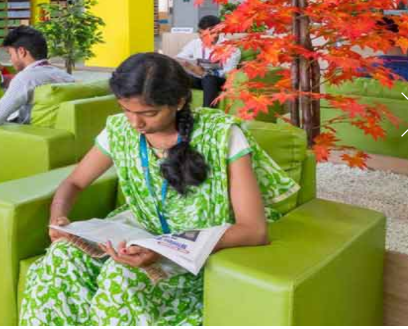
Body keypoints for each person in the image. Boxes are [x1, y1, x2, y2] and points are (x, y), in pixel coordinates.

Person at [18, 52, 297, 325]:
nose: (135, 123)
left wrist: (163, 251)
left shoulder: (222, 135)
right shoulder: (120, 130)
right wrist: (58, 217)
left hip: (196, 251)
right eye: (126, 110)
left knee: (121, 275)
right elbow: (74, 182)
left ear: (179, 101)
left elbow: (254, 230)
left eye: (148, 113)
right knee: (62, 256)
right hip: (141, 236)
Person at [0, 25, 73, 125]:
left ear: (21, 52)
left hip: (23, 133)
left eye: (10, 54)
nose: (10, 59)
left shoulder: (24, 78)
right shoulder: (64, 75)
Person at [175, 15, 241, 108]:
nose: (202, 37)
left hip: (219, 81)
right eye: (201, 33)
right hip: (199, 79)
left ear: (217, 32)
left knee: (209, 79)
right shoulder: (195, 43)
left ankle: (207, 111)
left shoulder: (231, 48)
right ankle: (176, 110)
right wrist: (188, 66)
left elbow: (228, 73)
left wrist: (204, 73)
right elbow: (179, 58)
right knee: (176, 77)